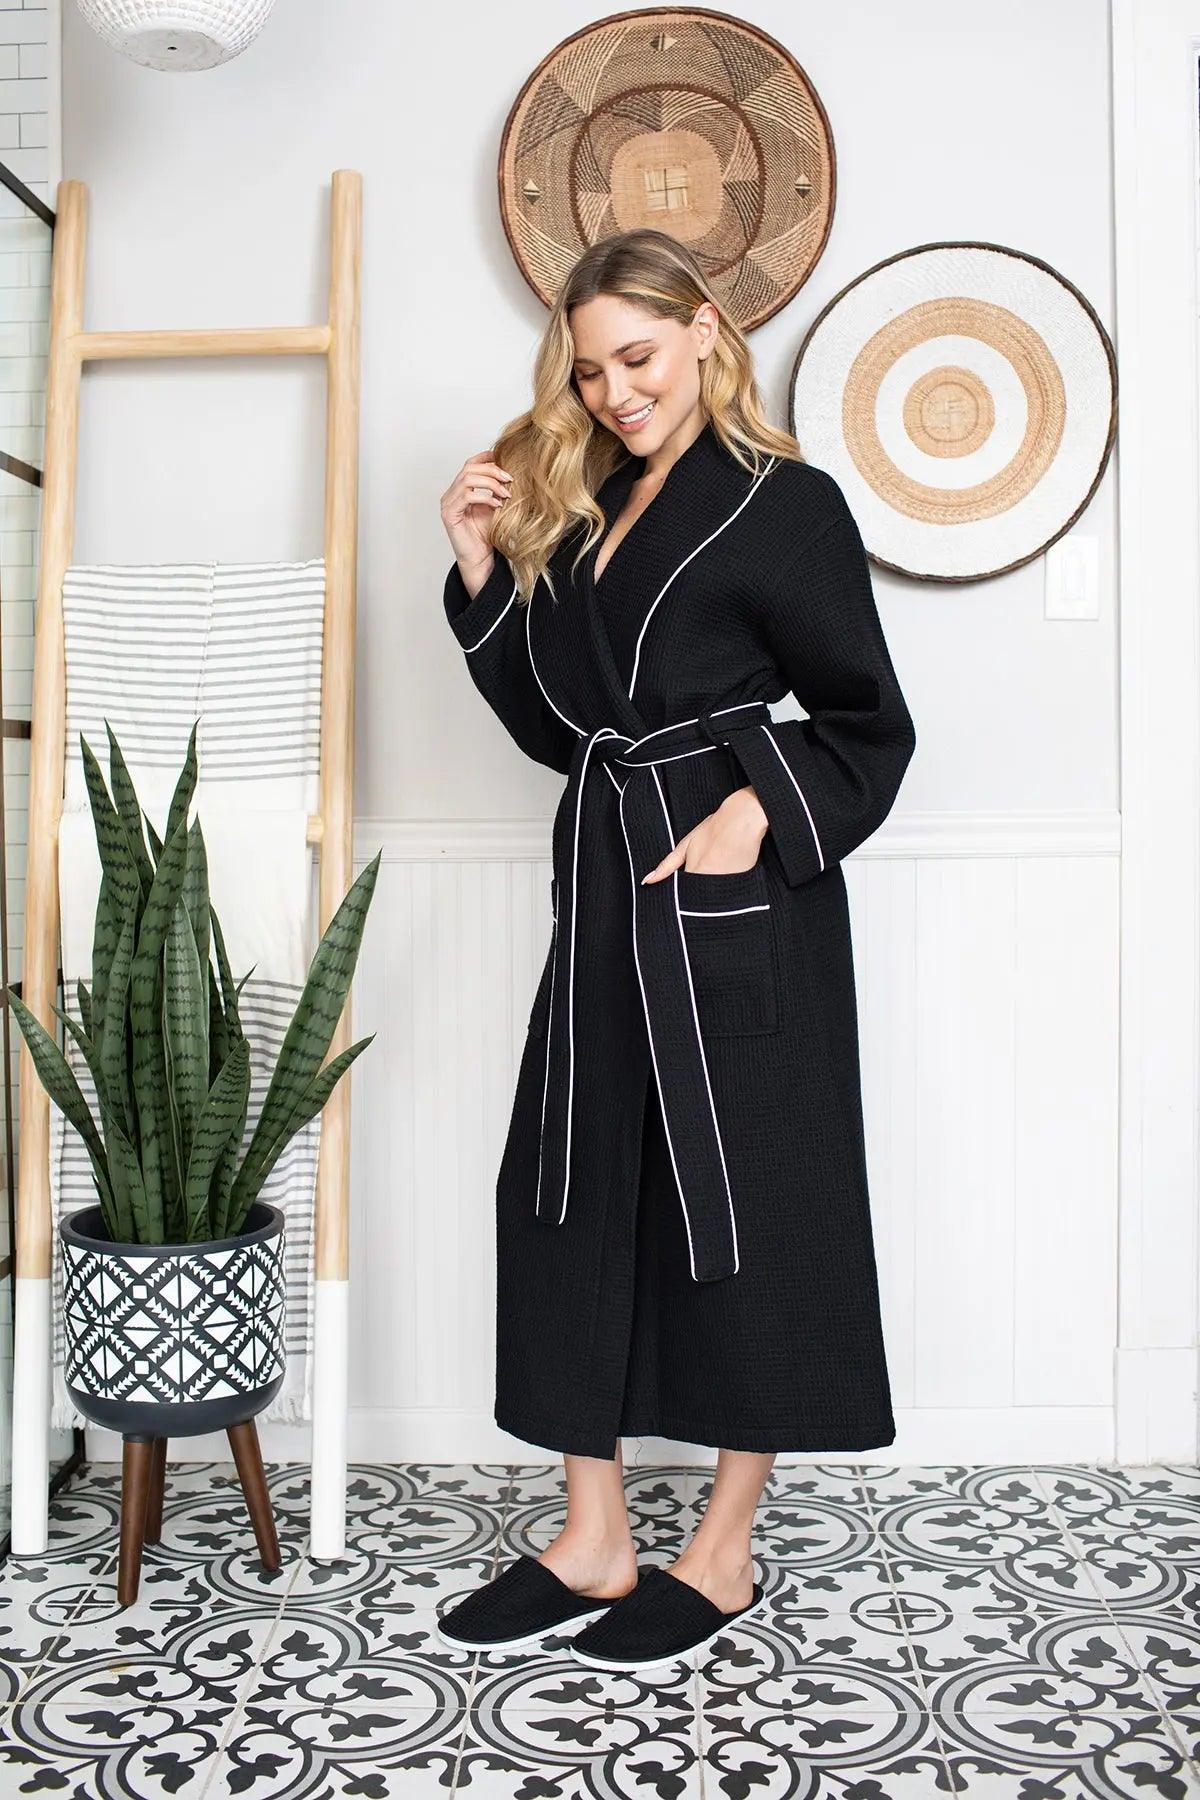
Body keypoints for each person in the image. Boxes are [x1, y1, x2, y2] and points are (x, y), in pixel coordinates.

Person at [434, 228, 916, 1672]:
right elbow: (559, 730)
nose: (615, 392)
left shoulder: (790, 507)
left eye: (635, 358)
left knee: (747, 1194)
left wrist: (753, 817)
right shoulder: (588, 516)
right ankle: (594, 1536)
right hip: (602, 882)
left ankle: (722, 1550)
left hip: (735, 903)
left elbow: (870, 728)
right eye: (588, 372)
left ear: (705, 329)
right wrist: (478, 575)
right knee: (569, 1178)